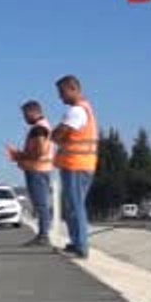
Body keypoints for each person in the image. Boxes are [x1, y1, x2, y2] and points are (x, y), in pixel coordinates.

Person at [50, 75, 99, 259]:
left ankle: (81, 246)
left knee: (75, 205)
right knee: (72, 206)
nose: (60, 97)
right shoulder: (85, 109)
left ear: (73, 89)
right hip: (80, 165)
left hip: (76, 165)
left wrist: (56, 133)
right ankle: (77, 243)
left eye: (62, 93)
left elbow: (58, 134)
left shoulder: (77, 111)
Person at [5, 100, 54, 246]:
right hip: (42, 168)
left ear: (32, 112)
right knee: (41, 203)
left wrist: (20, 155)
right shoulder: (44, 126)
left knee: (40, 203)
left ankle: (43, 235)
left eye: (25, 115)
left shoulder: (38, 129)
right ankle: (43, 234)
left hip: (37, 169)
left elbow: (40, 150)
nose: (24, 118)